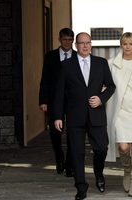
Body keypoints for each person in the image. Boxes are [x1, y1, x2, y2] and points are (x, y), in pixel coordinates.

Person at [54, 32, 116, 200]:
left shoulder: (101, 63)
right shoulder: (66, 65)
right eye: (81, 43)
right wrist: (58, 116)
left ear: (91, 44)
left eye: (88, 42)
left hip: (96, 114)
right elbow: (59, 93)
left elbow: (111, 86)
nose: (85, 46)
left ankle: (99, 174)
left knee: (102, 148)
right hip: (75, 116)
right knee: (76, 152)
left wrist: (101, 99)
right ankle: (81, 186)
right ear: (76, 45)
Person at [39, 28, 76, 176]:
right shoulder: (50, 56)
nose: (67, 42)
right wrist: (43, 100)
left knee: (73, 132)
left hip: (73, 100)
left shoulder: (78, 56)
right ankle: (59, 158)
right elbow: (45, 80)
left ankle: (69, 164)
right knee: (55, 132)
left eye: (70, 39)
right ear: (59, 39)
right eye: (65, 39)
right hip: (54, 100)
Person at [106, 32, 132, 197]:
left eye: (130, 44)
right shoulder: (112, 64)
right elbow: (106, 84)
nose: (128, 47)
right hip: (120, 112)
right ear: (120, 45)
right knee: (123, 146)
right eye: (125, 44)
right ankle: (127, 170)